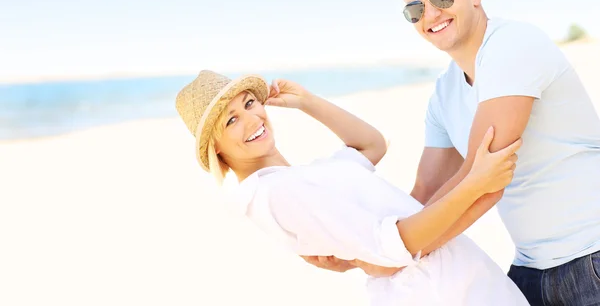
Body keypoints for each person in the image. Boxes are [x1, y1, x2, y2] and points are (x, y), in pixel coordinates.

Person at [174, 70, 529, 306]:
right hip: (441, 293)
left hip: (458, 280)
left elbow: (371, 145)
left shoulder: (303, 177)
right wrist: (474, 184)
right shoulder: (273, 193)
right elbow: (392, 250)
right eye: (231, 120)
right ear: (216, 147)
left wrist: (307, 102)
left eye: (249, 103)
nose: (252, 118)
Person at [391, 0, 600, 305]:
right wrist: (369, 240)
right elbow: (425, 189)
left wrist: (395, 251)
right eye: (416, 9)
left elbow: (484, 182)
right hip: (530, 268)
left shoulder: (512, 45)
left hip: (591, 257)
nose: (432, 13)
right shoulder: (444, 92)